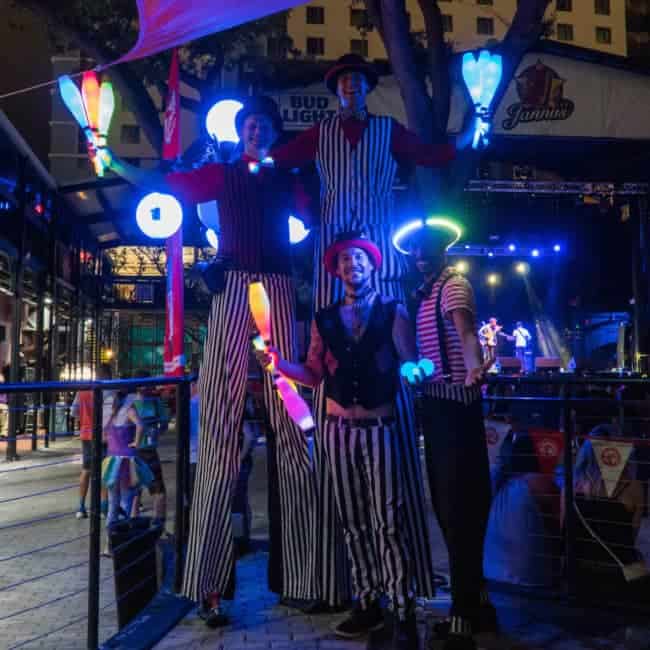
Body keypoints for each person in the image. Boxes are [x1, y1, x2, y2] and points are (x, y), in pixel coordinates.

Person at [98, 96, 317, 625]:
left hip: (280, 285)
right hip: (238, 282)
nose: (256, 129)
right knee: (217, 438)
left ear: (273, 131)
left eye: (264, 122)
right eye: (249, 123)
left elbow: (313, 216)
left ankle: (313, 576)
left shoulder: (285, 176)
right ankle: (209, 587)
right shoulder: (221, 173)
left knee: (295, 428)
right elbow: (166, 188)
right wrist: (112, 158)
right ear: (241, 131)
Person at [271, 52, 473, 606]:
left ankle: (402, 587)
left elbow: (436, 153)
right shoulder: (320, 134)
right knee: (332, 341)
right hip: (331, 248)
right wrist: (249, 160)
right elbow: (276, 157)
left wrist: (475, 121)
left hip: (378, 249)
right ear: (336, 90)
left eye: (358, 82)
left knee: (386, 335)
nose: (350, 89)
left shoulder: (387, 130)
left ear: (366, 89)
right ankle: (347, 585)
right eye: (343, 83)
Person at [255, 231, 420, 649]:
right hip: (338, 430)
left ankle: (402, 610)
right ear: (337, 270)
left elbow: (410, 361)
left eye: (359, 259)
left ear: (372, 265)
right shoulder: (323, 319)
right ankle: (368, 602)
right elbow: (313, 375)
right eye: (345, 260)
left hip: (381, 429)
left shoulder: (393, 310)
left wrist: (418, 370)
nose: (352, 265)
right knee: (353, 522)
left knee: (389, 520)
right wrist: (278, 364)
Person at [396, 220, 496, 650]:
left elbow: (466, 334)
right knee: (447, 504)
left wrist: (474, 367)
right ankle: (472, 604)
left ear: (444, 250)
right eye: (416, 251)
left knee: (460, 507)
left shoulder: (453, 286)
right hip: (438, 405)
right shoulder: (421, 295)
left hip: (457, 405)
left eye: (429, 249)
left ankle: (463, 613)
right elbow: (416, 352)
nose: (421, 257)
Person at [561, 424, 649, 600]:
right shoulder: (633, 488)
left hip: (580, 573)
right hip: (618, 577)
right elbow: (631, 536)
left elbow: (565, 531)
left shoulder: (570, 487)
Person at [484, 430, 561, 588]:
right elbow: (564, 523)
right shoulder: (537, 482)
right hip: (527, 581)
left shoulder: (498, 480)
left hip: (491, 573)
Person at [101, 390, 153, 556]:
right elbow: (140, 425)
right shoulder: (128, 409)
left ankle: (108, 545)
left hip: (111, 462)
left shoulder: (109, 411)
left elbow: (103, 437)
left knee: (112, 506)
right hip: (126, 462)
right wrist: (136, 442)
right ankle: (122, 546)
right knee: (126, 503)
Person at [71, 364, 116, 519]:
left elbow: (74, 412)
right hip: (103, 435)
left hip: (86, 435)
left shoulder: (82, 390)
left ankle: (81, 506)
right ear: (108, 375)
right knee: (105, 470)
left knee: (86, 470)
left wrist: (85, 422)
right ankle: (103, 507)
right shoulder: (109, 390)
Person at [130, 372, 169, 528]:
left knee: (145, 489)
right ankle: (150, 525)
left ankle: (150, 523)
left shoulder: (153, 402)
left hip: (144, 450)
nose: (147, 388)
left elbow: (165, 423)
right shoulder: (133, 403)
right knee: (140, 490)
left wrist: (158, 432)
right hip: (139, 451)